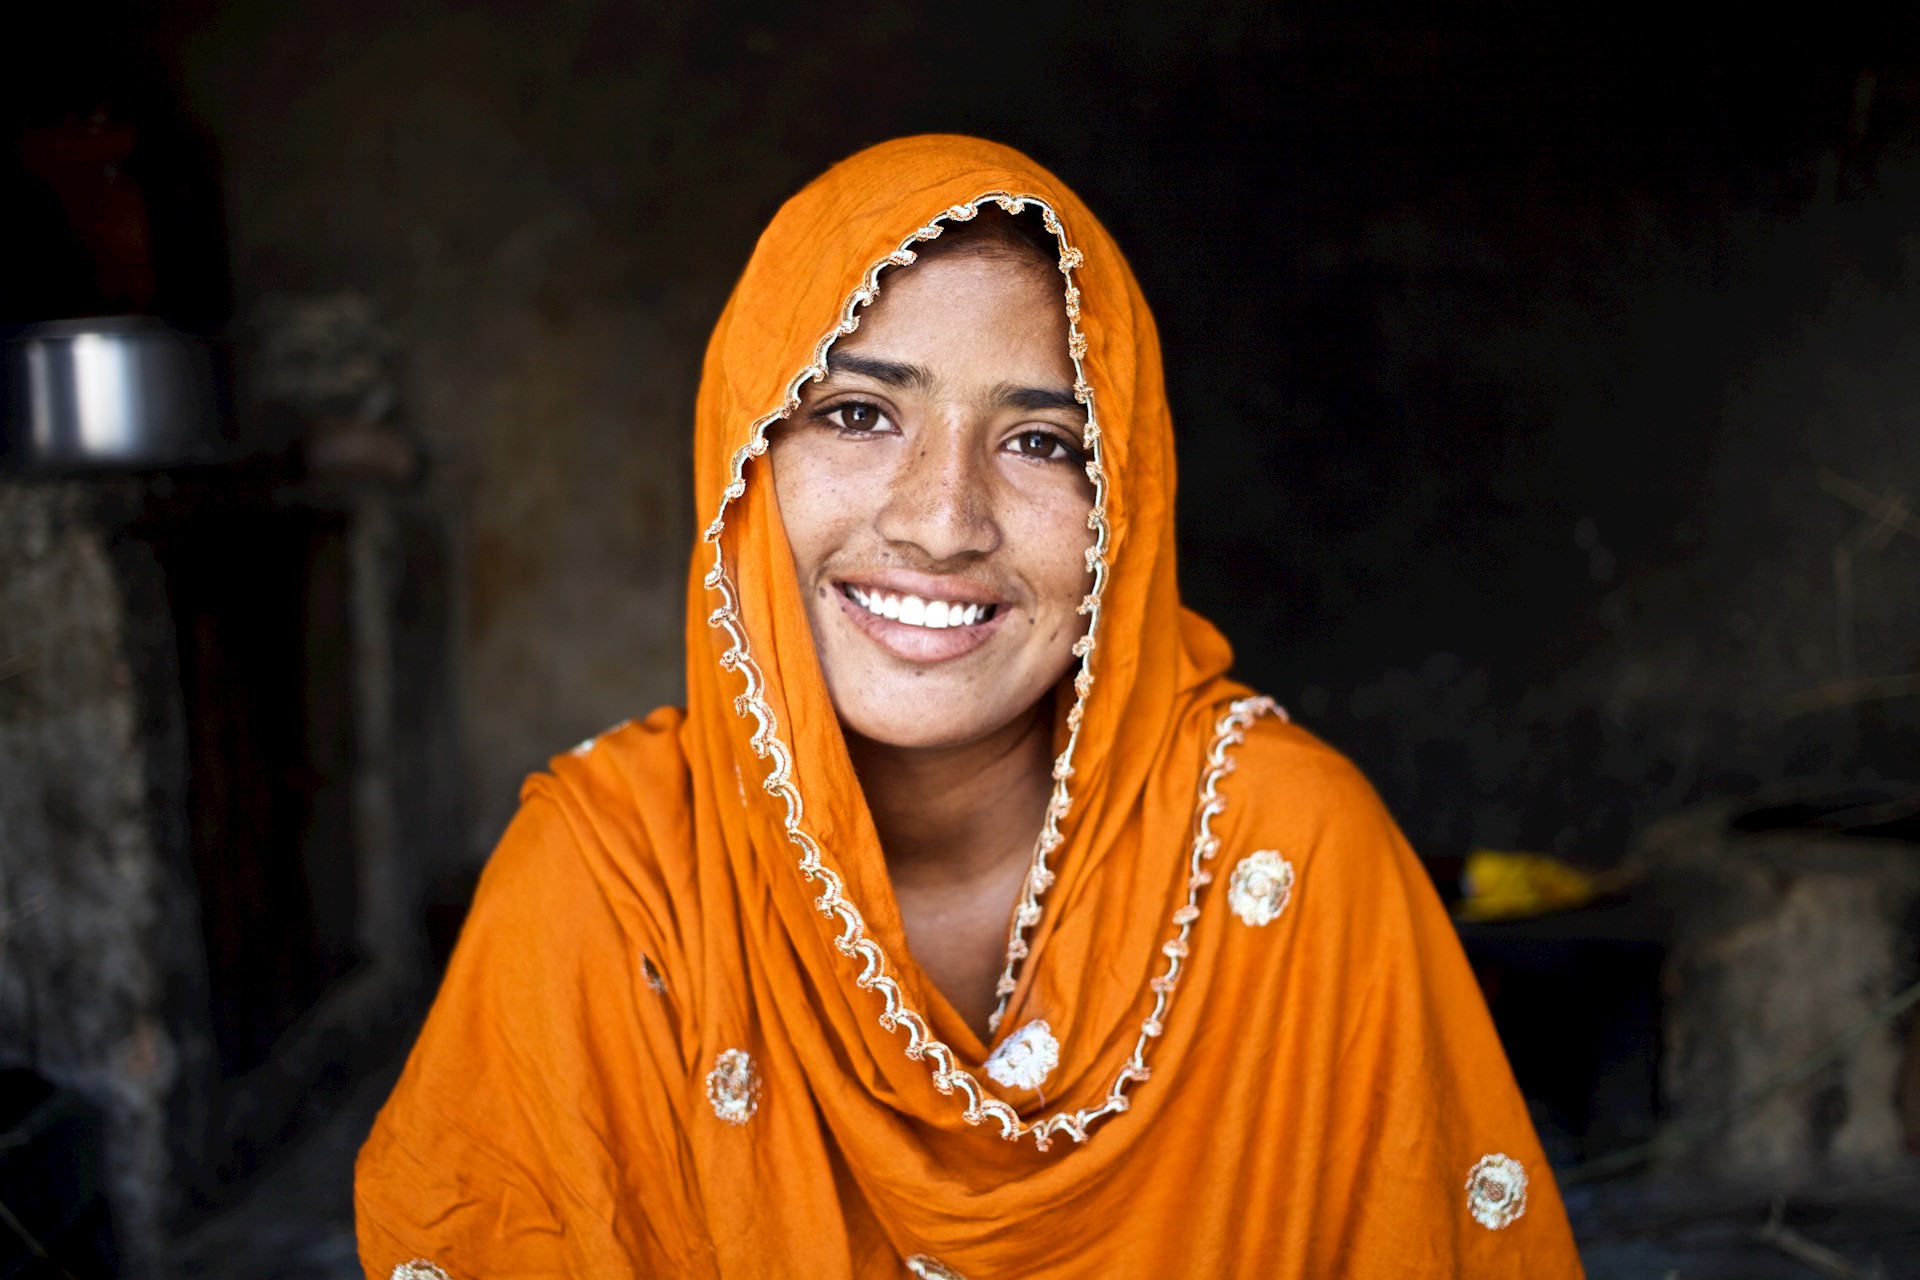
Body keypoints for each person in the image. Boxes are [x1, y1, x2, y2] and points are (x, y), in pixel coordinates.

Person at [355, 134, 1584, 1278]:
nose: (943, 519)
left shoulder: (1285, 853)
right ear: (743, 459)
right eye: (856, 413)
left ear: (1130, 505)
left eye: (1044, 440)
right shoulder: (613, 879)